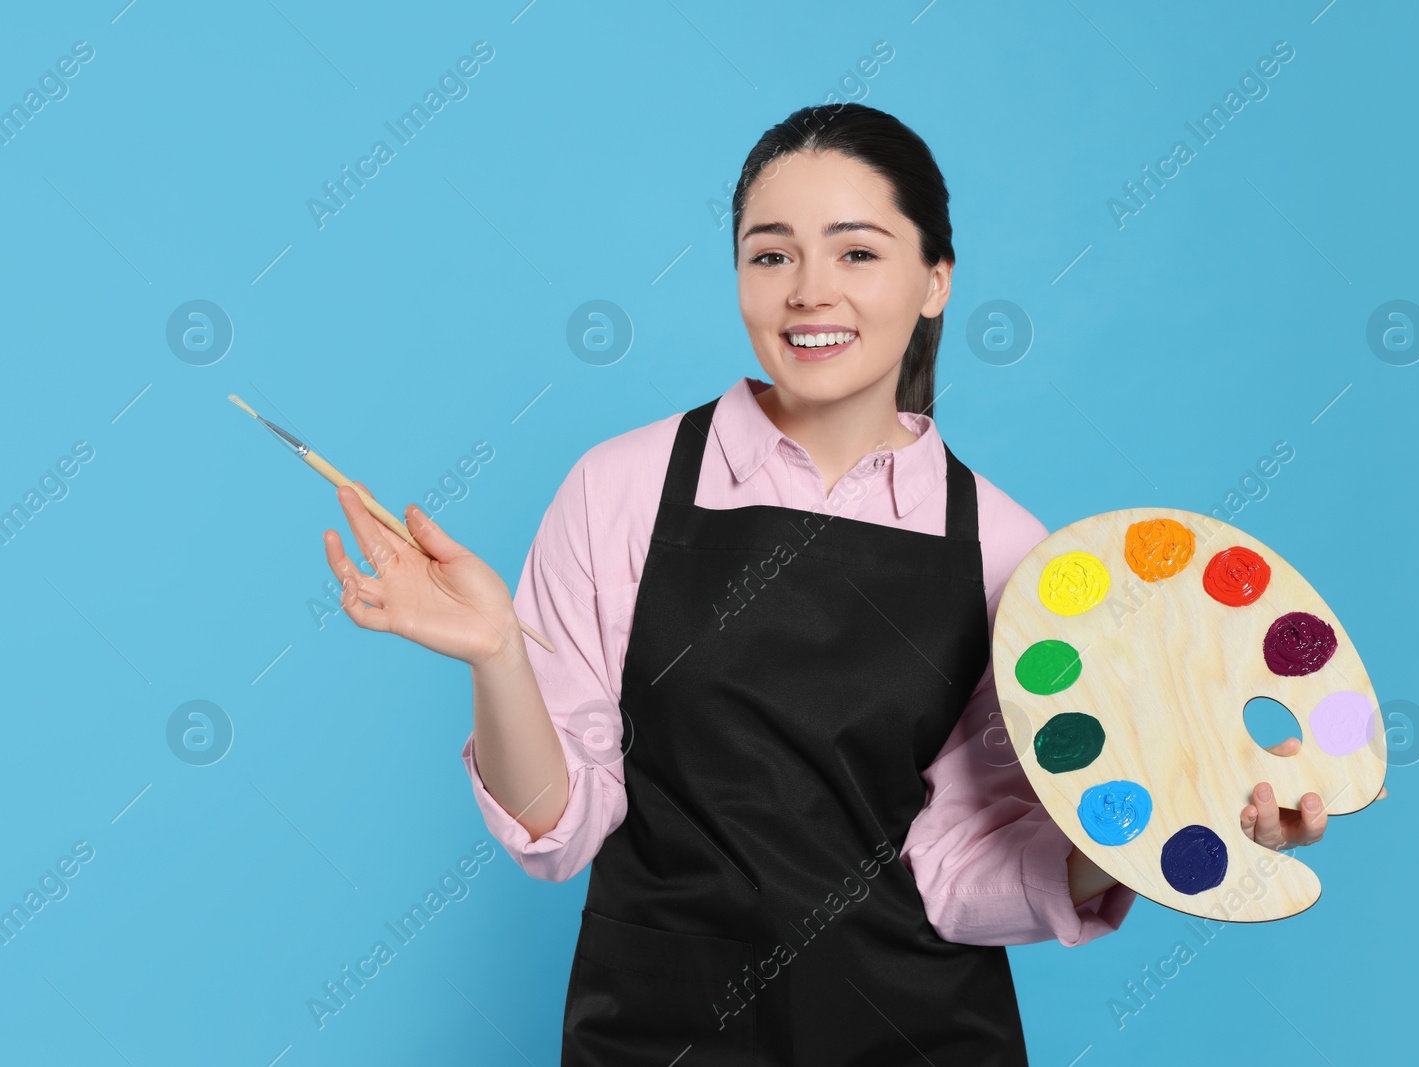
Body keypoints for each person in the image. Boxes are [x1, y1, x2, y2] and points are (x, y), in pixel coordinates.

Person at [322, 102, 1357, 1066]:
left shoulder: (1009, 550)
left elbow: (962, 874)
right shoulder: (619, 487)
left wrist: (1170, 830)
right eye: (770, 253)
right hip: (659, 1033)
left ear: (936, 278)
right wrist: (498, 655)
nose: (808, 289)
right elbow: (560, 830)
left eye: (857, 251)